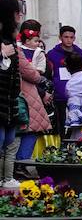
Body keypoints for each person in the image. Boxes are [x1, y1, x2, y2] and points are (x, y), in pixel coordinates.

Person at [15, 22, 52, 173]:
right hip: (29, 94)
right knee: (31, 130)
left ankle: (17, 164)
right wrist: (38, 77)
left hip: (29, 93)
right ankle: (20, 163)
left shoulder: (38, 52)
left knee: (22, 130)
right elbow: (32, 74)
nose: (38, 42)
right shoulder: (17, 50)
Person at [0, 0, 26, 189]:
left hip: (9, 102)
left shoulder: (10, 39)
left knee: (8, 140)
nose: (19, 16)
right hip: (1, 101)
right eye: (17, 12)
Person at [46, 23, 82, 132]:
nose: (69, 40)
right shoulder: (52, 54)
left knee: (80, 125)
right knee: (61, 125)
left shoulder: (80, 53)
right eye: (66, 37)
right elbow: (49, 74)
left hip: (80, 98)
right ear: (60, 38)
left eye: (71, 37)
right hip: (59, 96)